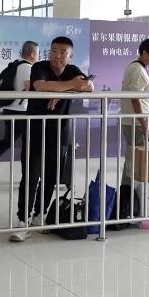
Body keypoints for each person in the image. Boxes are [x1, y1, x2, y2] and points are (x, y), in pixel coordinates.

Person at [10, 36, 94, 242]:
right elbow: (39, 86)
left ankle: (41, 214)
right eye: (54, 51)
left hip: (59, 132)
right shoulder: (39, 67)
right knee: (30, 175)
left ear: (70, 56)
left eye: (63, 52)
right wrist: (69, 86)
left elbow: (89, 86)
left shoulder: (73, 70)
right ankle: (23, 220)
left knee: (51, 176)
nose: (57, 56)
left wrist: (59, 91)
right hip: (35, 130)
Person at [0, 40, 39, 183]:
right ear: (32, 54)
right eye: (38, 53)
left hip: (10, 109)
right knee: (29, 145)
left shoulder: (16, 65)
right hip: (21, 111)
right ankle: (29, 177)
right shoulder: (28, 68)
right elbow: (30, 88)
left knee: (9, 140)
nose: (38, 56)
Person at [119, 38, 149, 198]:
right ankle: (128, 198)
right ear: (144, 52)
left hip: (135, 122)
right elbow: (135, 99)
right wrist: (144, 125)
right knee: (135, 161)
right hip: (136, 123)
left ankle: (128, 197)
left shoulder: (138, 67)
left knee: (134, 160)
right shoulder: (137, 69)